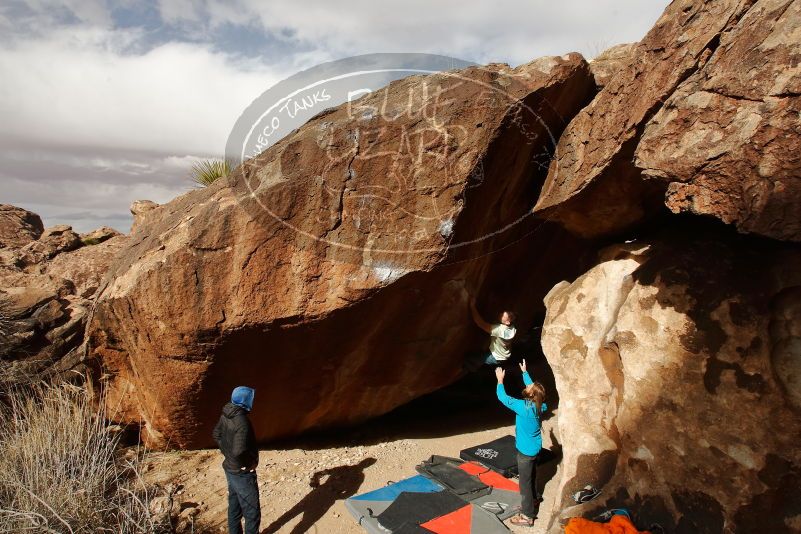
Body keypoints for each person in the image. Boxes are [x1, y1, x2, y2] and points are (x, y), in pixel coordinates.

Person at [495, 360, 547, 527]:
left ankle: (527, 516)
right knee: (532, 475)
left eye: (530, 388)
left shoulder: (522, 407)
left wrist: (500, 380)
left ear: (531, 395)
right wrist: (525, 372)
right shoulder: (541, 406)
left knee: (524, 484)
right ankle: (535, 499)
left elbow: (503, 398)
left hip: (525, 452)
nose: (528, 387)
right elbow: (536, 390)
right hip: (535, 449)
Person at [212, 386, 261, 534]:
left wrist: (227, 454)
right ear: (246, 401)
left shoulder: (226, 413)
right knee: (252, 512)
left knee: (235, 507)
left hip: (230, 468)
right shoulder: (242, 422)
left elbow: (216, 434)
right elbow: (239, 451)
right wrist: (248, 464)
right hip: (241, 472)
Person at [468, 296, 517, 367]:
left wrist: (472, 306)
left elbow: (480, 323)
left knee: (470, 358)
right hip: (504, 354)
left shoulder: (499, 330)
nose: (501, 314)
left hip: (496, 358)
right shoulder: (512, 327)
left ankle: (471, 368)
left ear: (507, 322)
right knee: (481, 353)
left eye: (503, 316)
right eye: (503, 313)